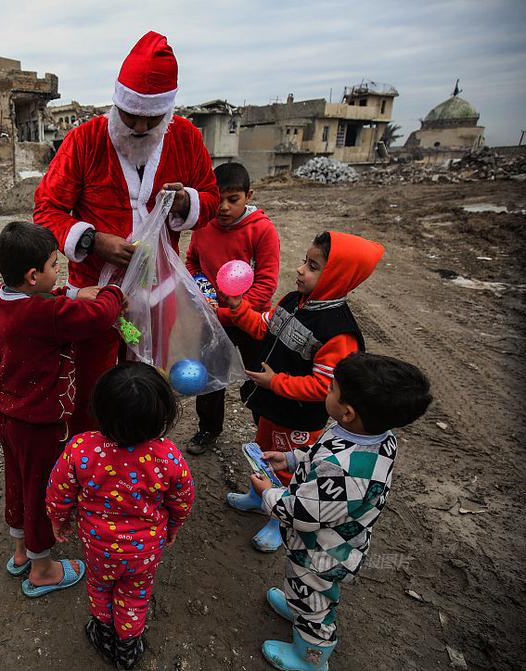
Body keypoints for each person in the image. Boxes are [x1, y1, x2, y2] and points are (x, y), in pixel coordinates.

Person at [34, 31, 219, 433]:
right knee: (94, 383)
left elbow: (212, 199)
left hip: (158, 295)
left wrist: (187, 202)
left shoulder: (186, 137)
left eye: (150, 119)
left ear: (167, 113)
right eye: (129, 114)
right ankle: (88, 456)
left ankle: (140, 457)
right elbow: (46, 208)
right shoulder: (84, 140)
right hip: (95, 294)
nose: (137, 126)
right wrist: (91, 240)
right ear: (116, 103)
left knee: (147, 383)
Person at [249, 353, 432, 670]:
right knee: (303, 588)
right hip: (331, 540)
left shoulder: (343, 472)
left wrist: (268, 493)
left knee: (315, 602)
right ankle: (297, 605)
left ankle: (311, 655)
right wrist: (291, 459)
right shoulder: (374, 437)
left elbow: (301, 513)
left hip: (323, 551)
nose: (326, 392)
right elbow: (322, 451)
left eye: (331, 388)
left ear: (347, 412)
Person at [217, 231, 385, 552]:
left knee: (289, 468)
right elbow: (264, 325)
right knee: (262, 449)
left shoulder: (338, 333)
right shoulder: (294, 301)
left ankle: (280, 521)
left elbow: (323, 386)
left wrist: (274, 382)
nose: (299, 269)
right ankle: (258, 495)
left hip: (298, 418)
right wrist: (238, 308)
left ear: (336, 276)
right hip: (274, 406)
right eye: (304, 261)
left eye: (312, 265)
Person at [0, 221, 124, 597]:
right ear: (33, 276)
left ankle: (21, 551)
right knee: (40, 490)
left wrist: (76, 292)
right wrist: (112, 293)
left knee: (17, 481)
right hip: (39, 422)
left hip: (10, 413)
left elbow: (54, 299)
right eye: (54, 265)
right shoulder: (45, 314)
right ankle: (42, 568)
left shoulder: (3, 298)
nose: (58, 272)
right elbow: (97, 317)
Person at [47, 362, 195, 670]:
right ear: (162, 416)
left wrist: (57, 518)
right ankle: (128, 648)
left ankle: (103, 633)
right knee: (135, 595)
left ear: (99, 409)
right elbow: (181, 499)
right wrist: (175, 526)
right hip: (145, 549)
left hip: (99, 545)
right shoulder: (168, 456)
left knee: (100, 587)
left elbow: (59, 488)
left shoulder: (81, 448)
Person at [184, 161, 280, 455]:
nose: (223, 207)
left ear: (249, 195)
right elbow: (192, 262)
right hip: (213, 320)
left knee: (258, 378)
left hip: (252, 322)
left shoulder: (262, 231)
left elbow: (266, 283)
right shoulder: (204, 228)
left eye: (233, 199)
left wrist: (229, 312)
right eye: (219, 199)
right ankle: (208, 429)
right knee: (210, 377)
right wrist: (201, 288)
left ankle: (265, 435)